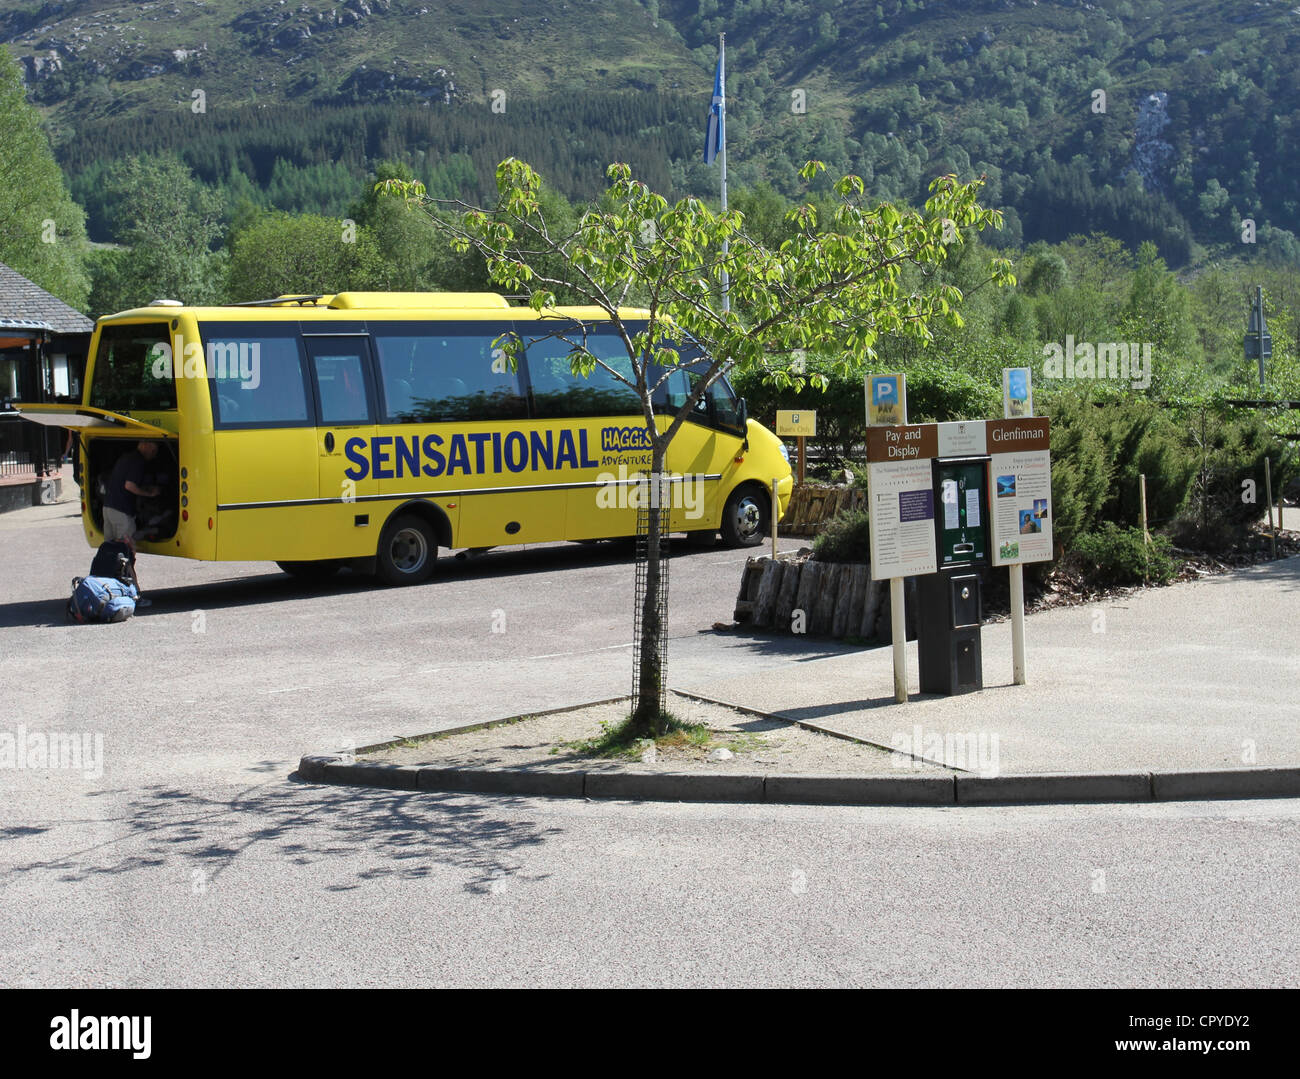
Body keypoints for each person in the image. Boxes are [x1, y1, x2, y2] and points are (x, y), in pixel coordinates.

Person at [102, 441, 161, 606]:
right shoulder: (138, 461)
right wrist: (149, 493)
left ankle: (108, 592)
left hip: (108, 508)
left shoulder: (125, 458)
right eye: (154, 450)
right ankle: (136, 595)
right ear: (146, 446)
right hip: (122, 512)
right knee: (127, 554)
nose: (154, 454)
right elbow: (130, 486)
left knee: (110, 553)